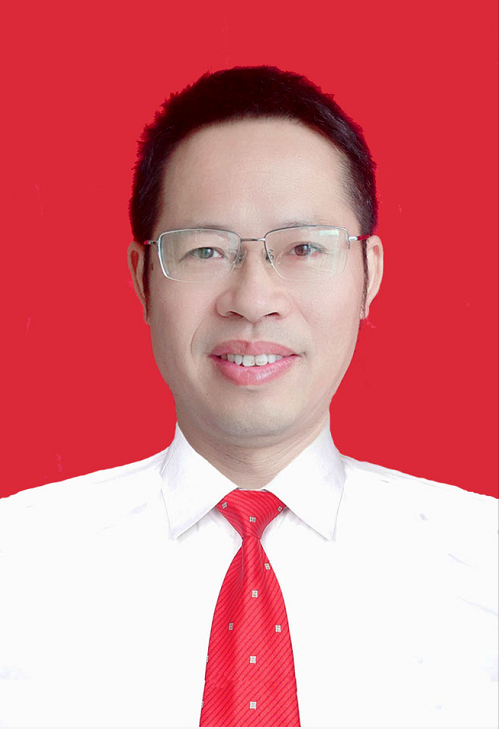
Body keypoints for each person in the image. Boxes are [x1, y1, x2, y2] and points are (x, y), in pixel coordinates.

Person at [0, 66, 496, 728]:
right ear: (143, 279)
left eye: (303, 248)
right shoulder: (16, 565)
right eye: (206, 251)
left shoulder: (484, 563)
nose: (253, 299)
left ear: (368, 274)